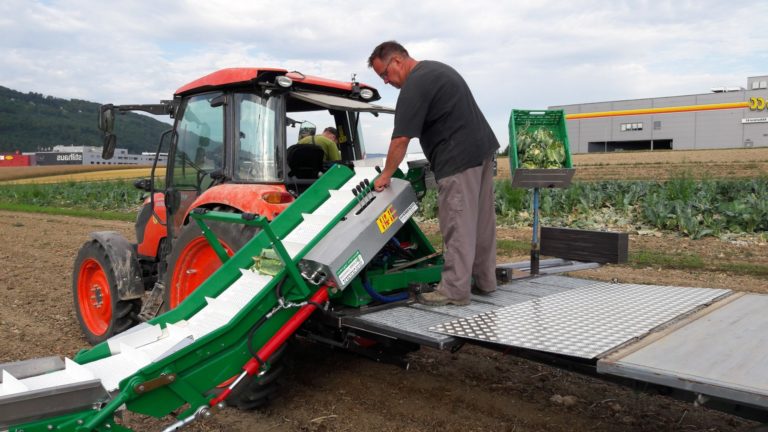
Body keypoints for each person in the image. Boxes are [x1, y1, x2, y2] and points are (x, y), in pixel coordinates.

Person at [368, 41, 499, 306]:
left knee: (458, 223)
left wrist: (386, 176)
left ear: (397, 61)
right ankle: (484, 281)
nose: (385, 81)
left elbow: (401, 138)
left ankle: (454, 290)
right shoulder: (437, 70)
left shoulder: (415, 84)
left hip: (457, 158)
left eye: (384, 74)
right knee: (482, 223)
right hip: (482, 152)